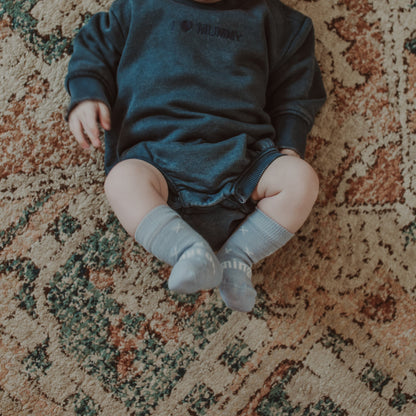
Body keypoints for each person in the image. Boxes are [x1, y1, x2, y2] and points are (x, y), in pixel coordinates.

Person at [66, 0, 326, 312]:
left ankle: (237, 257)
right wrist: (87, 93)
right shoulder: (139, 7)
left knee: (301, 179)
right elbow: (94, 47)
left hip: (245, 164)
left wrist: (289, 145)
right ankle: (186, 251)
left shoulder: (278, 22)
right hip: (155, 159)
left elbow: (297, 93)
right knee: (122, 181)